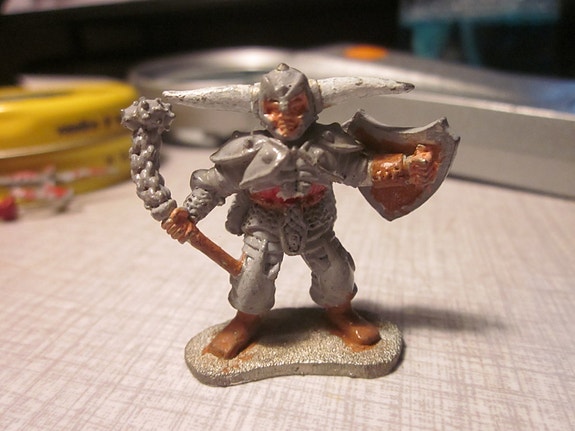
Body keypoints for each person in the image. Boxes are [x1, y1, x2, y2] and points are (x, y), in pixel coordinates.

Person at [161, 64, 442, 359]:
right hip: (264, 223)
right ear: (260, 110)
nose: (285, 118)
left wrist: (405, 167)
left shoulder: (328, 145)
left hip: (315, 221)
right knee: (253, 279)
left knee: (337, 272)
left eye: (296, 107)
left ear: (311, 107)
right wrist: (189, 212)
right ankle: (244, 321)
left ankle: (341, 314)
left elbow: (360, 169)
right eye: (273, 109)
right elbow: (214, 184)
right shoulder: (247, 152)